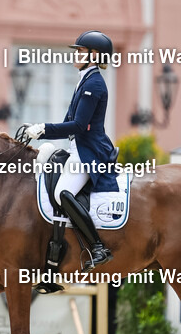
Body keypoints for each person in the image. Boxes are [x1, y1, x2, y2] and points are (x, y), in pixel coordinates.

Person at [24, 30, 119, 272]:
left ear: (94, 55)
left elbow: (78, 126)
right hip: (77, 148)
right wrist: (38, 130)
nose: (75, 55)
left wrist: (43, 129)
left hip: (91, 153)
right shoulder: (84, 80)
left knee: (63, 192)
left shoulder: (94, 84)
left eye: (80, 51)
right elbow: (69, 121)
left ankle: (98, 247)